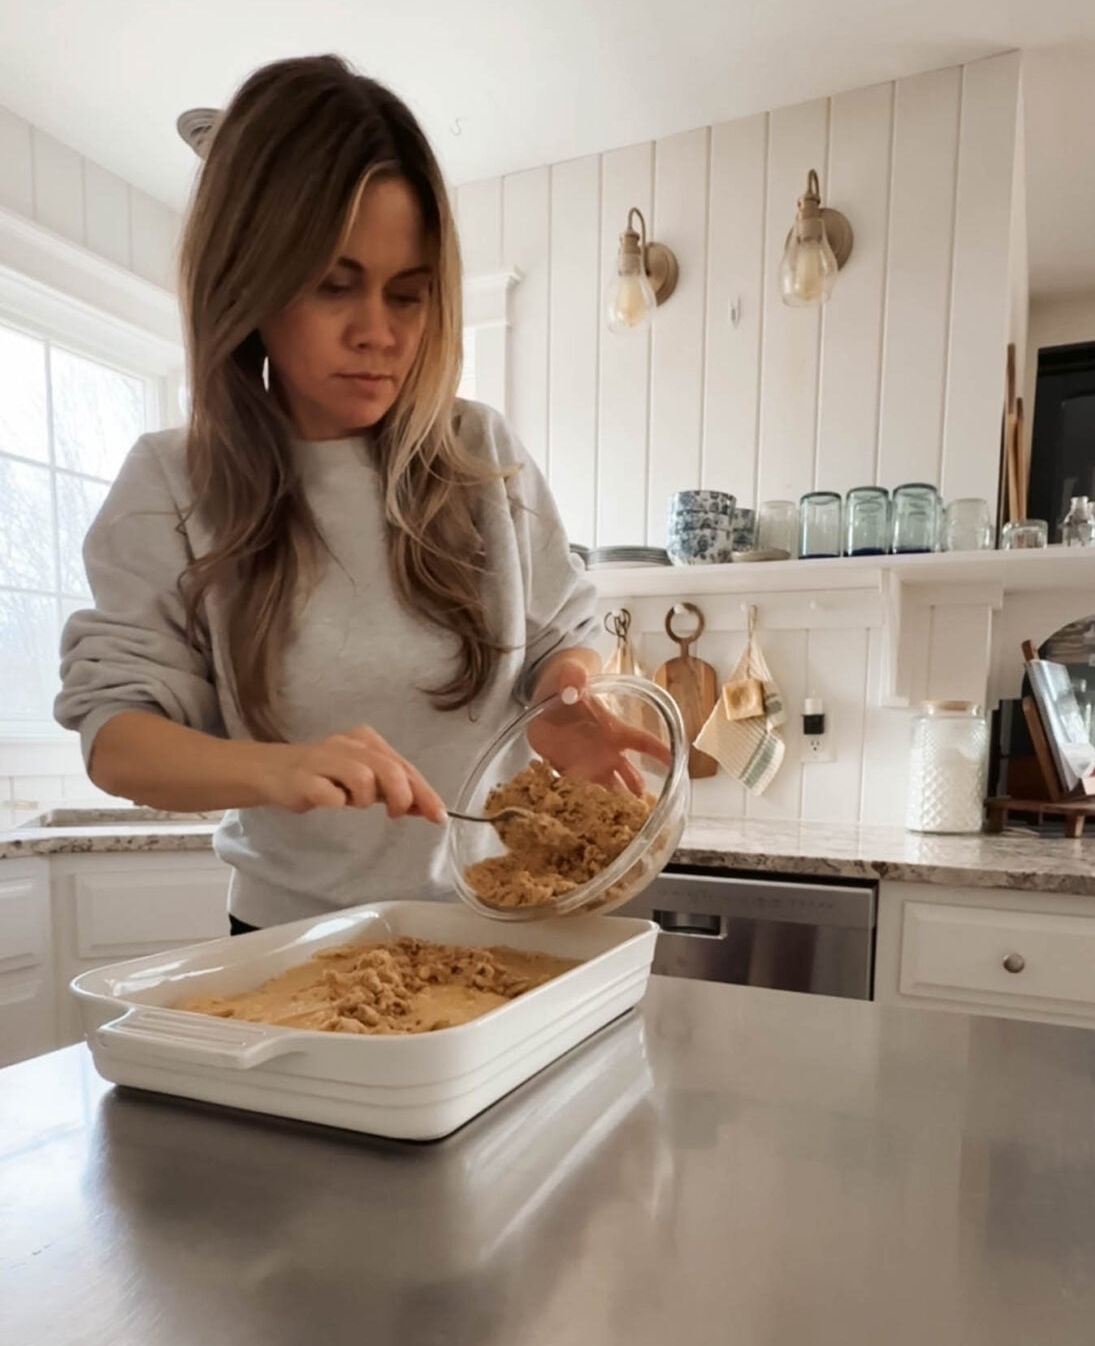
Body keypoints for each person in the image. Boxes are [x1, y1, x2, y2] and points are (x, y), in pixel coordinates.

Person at [55, 54, 663, 933]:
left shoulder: (480, 454)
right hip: (292, 940)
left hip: (499, 924)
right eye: (334, 286)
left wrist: (564, 698)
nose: (378, 334)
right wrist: (279, 770)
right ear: (250, 285)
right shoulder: (171, 484)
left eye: (408, 296)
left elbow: (560, 638)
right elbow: (117, 740)